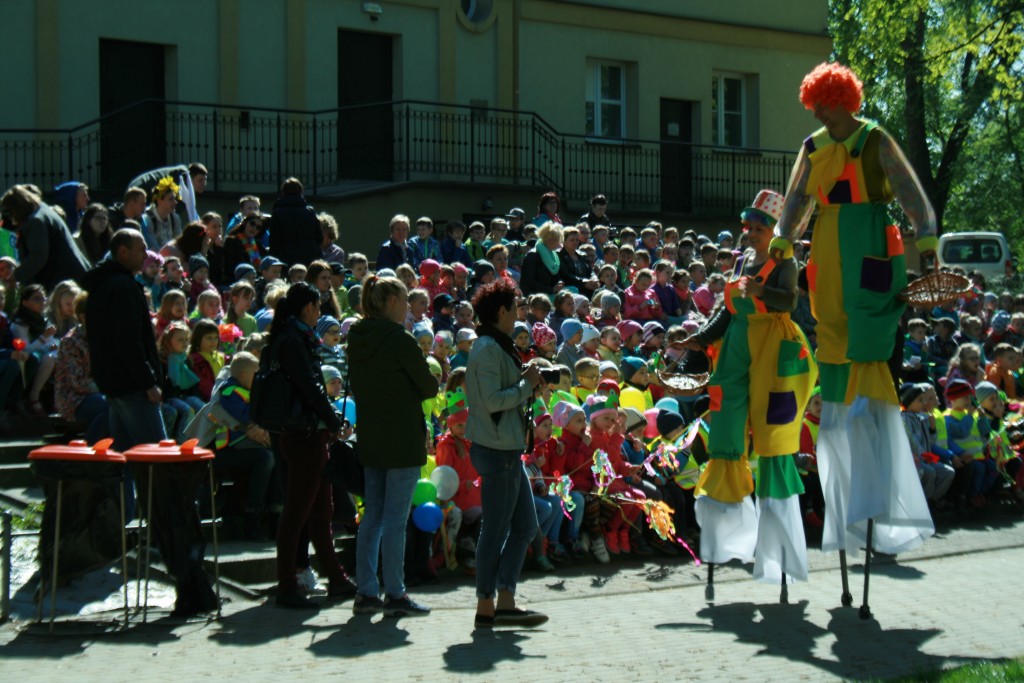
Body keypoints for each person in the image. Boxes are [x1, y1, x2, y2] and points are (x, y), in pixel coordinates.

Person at [773, 63, 936, 593]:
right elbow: (797, 199)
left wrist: (927, 244)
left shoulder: (874, 139)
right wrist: (781, 242)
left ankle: (872, 451)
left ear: (843, 100)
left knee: (869, 339)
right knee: (834, 343)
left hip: (869, 237)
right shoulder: (814, 145)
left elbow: (911, 196)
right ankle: (843, 427)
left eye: (822, 102)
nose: (816, 111)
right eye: (813, 103)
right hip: (827, 245)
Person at [685, 190, 818, 591]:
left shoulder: (785, 260)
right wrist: (698, 339)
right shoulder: (743, 260)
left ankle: (779, 553)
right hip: (737, 351)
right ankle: (728, 541)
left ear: (773, 230)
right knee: (726, 435)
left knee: (774, 442)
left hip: (773, 352)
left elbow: (789, 301)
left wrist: (761, 292)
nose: (752, 235)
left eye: (760, 229)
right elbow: (726, 310)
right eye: (749, 228)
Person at [347, 275, 438, 617]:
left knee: (373, 517)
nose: (406, 308)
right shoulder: (399, 339)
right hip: (401, 437)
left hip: (372, 435)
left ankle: (366, 590)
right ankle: (395, 592)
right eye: (402, 301)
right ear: (389, 303)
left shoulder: (356, 338)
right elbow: (427, 386)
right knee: (396, 520)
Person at [263, 282, 355, 608]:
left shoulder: (291, 338)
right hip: (304, 437)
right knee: (297, 513)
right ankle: (287, 585)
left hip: (309, 435)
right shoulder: (294, 341)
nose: (321, 312)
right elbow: (308, 388)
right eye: (317, 307)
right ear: (307, 309)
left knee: (320, 511)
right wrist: (333, 422)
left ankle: (337, 577)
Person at [464, 278, 549, 629]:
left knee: (525, 527)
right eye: (515, 307)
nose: (519, 314)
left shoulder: (497, 345)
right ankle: (487, 605)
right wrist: (526, 383)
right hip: (496, 449)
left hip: (506, 449)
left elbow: (504, 396)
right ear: (502, 311)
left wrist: (528, 384)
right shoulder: (486, 348)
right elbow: (493, 401)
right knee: (495, 531)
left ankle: (505, 601)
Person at [1, 184, 90, 290]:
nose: (11, 217)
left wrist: (15, 276)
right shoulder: (43, 211)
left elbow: (38, 257)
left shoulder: (35, 221)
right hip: (73, 275)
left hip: (64, 280)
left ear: (18, 207)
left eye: (11, 212)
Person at [267, 177, 323, 266]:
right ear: (300, 191)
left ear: (283, 192)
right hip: (310, 256)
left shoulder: (278, 213)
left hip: (286, 257)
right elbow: (319, 237)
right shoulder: (310, 211)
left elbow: (274, 240)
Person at [518, 222, 563, 296]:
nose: (559, 244)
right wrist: (551, 289)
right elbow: (528, 282)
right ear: (551, 241)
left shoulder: (553, 256)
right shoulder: (532, 256)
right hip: (534, 296)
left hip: (548, 293)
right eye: (558, 241)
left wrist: (559, 283)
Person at [140, 176, 184, 251]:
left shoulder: (175, 218)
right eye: (171, 199)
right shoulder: (147, 220)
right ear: (159, 201)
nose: (175, 202)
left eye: (175, 199)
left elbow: (180, 245)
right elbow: (154, 248)